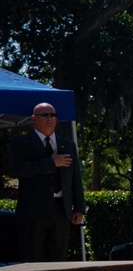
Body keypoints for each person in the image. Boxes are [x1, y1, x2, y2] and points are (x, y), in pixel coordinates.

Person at [9, 102, 86, 262]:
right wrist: (51, 163)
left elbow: (75, 178)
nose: (49, 119)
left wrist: (79, 208)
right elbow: (21, 170)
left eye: (52, 115)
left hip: (61, 210)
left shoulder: (68, 145)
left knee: (58, 257)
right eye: (44, 115)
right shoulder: (21, 143)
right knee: (33, 257)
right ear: (33, 119)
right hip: (33, 210)